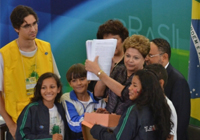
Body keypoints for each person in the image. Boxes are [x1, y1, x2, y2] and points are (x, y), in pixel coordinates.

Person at [0, 5, 60, 140]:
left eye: (34, 24)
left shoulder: (46, 48)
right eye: (26, 26)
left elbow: (57, 84)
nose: (33, 29)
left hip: (46, 122)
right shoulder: (4, 54)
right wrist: (10, 125)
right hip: (18, 124)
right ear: (16, 28)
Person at [90, 69, 172, 140]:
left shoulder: (134, 110)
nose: (129, 88)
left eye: (134, 85)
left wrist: (97, 130)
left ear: (145, 89)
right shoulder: (162, 107)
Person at [85, 34, 150, 115]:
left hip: (128, 124)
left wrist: (99, 72)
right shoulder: (119, 70)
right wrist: (107, 72)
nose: (130, 60)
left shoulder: (145, 78)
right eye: (128, 56)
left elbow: (125, 93)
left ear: (144, 59)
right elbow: (98, 94)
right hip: (110, 123)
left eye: (136, 58)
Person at [145, 38, 190, 140]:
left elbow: (181, 120)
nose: (146, 59)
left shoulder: (178, 81)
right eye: (146, 55)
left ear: (164, 57)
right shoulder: (148, 76)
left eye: (150, 55)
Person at [16, 72, 70, 140]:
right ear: (39, 90)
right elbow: (21, 137)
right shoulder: (31, 109)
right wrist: (49, 139)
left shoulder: (61, 107)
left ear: (58, 89)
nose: (48, 91)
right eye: (44, 88)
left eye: (52, 87)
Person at [61, 63, 106, 140]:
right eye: (74, 80)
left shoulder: (98, 100)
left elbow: (104, 123)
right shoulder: (66, 98)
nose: (79, 83)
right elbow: (74, 124)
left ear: (89, 80)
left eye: (82, 79)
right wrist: (93, 116)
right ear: (70, 83)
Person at [88, 19, 129, 92]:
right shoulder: (97, 62)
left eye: (115, 40)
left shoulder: (130, 62)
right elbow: (94, 92)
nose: (111, 45)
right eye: (107, 41)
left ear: (123, 40)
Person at [145, 64, 177, 140]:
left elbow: (169, 137)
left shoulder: (167, 106)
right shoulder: (146, 102)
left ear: (160, 83)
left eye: (148, 82)